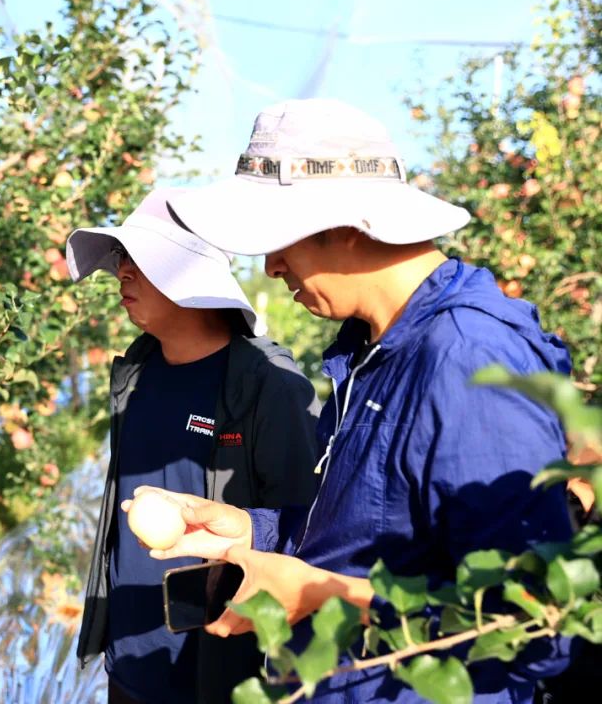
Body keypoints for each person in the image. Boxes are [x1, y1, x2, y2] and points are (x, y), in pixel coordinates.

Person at [135, 99, 575, 702]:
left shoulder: (470, 362)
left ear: (346, 226)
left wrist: (323, 596)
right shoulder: (370, 351)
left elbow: (531, 625)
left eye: (278, 238)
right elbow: (363, 533)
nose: (270, 265)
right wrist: (250, 530)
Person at [65, 188, 321, 704]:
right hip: (130, 654)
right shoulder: (136, 373)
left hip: (218, 663)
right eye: (120, 260)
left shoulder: (267, 388)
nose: (122, 274)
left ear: (193, 275)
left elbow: (307, 529)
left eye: (139, 260)